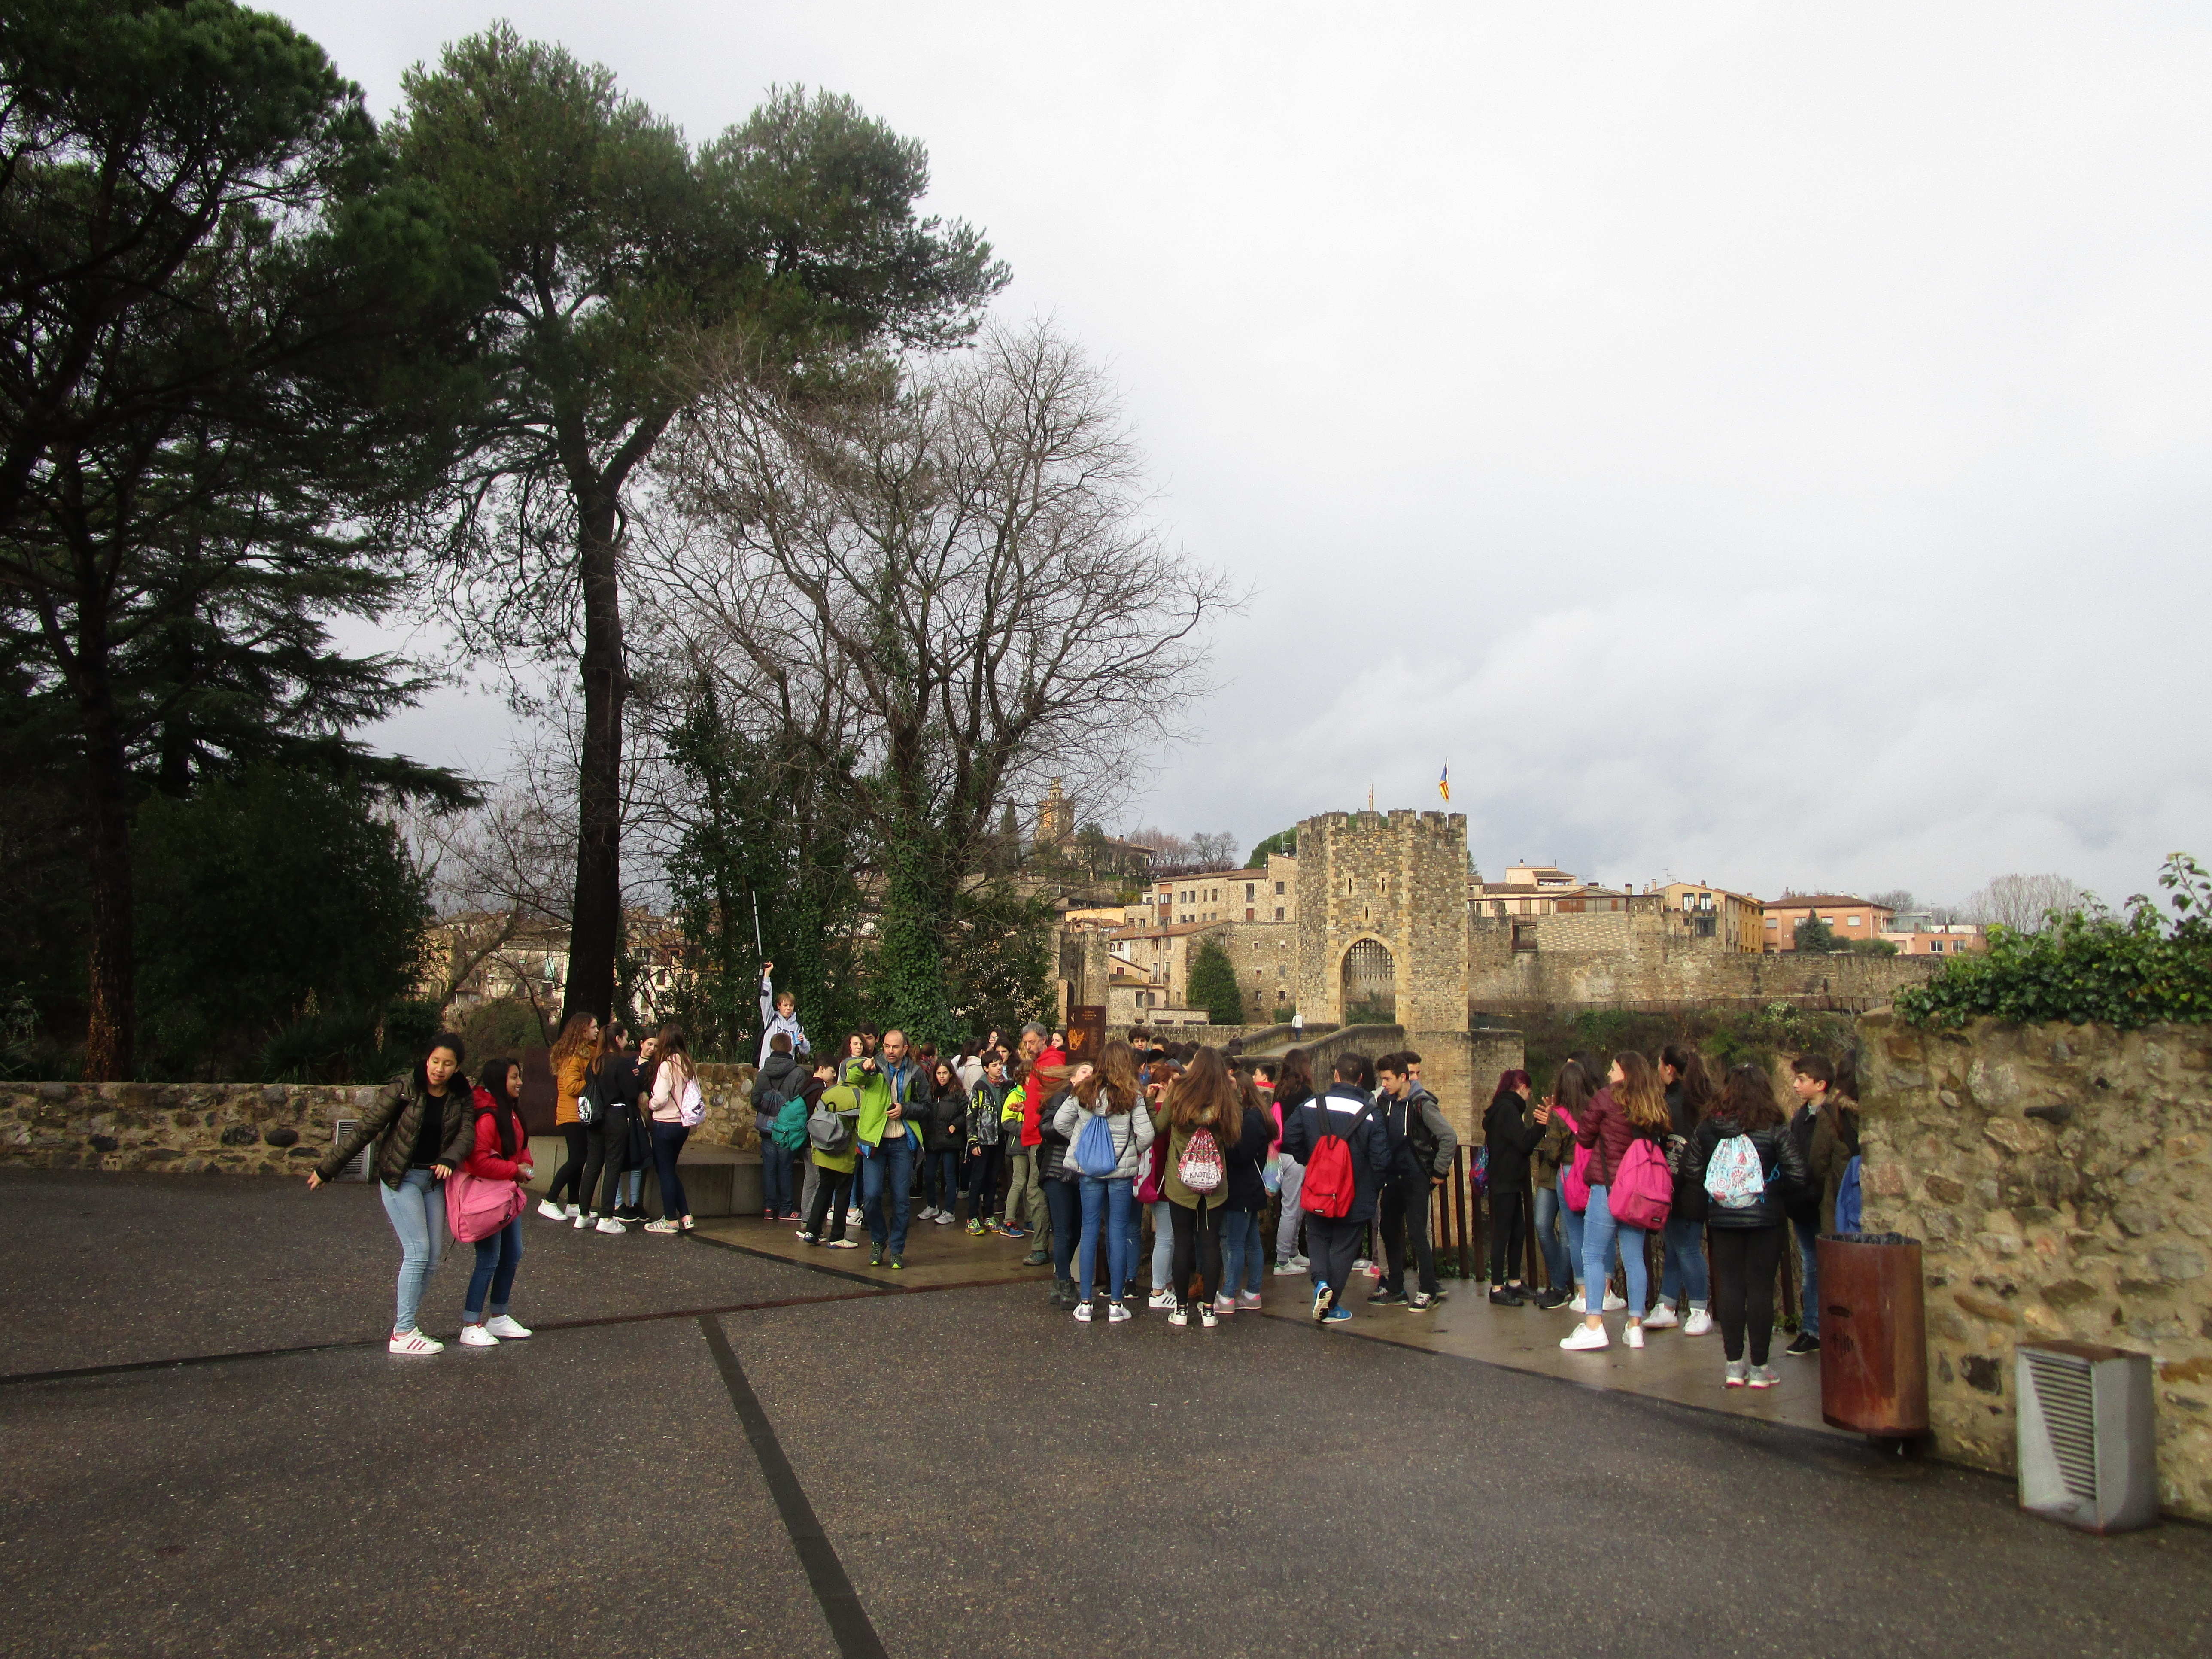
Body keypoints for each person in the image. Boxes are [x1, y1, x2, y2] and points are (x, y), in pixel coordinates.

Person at [309, 1033, 477, 1355]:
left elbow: (466, 1133)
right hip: (401, 1178)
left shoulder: (460, 1096)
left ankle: (409, 1324)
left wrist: (449, 1158)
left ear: (457, 1068)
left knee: (431, 1259)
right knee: (418, 1251)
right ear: (427, 1060)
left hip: (433, 1180)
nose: (440, 1069)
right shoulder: (403, 1089)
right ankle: (403, 1333)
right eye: (436, 1061)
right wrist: (327, 1169)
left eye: (448, 1064)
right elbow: (365, 1129)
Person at [1684, 1063, 1808, 1388]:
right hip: (1765, 1218)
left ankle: (1733, 1365)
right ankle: (1760, 1368)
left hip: (1723, 1217)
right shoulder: (1775, 1127)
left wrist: (1721, 1187)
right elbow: (1798, 1174)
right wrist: (1770, 1186)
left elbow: (1692, 1170)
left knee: (1731, 1286)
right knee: (1760, 1290)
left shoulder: (1710, 1128)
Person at [1562, 1051, 1671, 1352]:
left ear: (1624, 1072)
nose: (1609, 1073)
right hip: (1639, 1193)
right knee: (1635, 1256)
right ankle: (1635, 1326)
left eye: (1613, 1068)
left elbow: (1584, 1138)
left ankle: (1594, 1324)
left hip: (1608, 1187)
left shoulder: (1606, 1098)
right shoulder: (1652, 1100)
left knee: (1593, 1253)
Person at [1277, 1052, 1391, 1326]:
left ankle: (1321, 1283)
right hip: (1355, 1194)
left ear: (1336, 1076)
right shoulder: (1370, 1113)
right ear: (1361, 1079)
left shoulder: (1311, 1105)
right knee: (1344, 1246)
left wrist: (1313, 1161)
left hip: (1319, 1188)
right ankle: (1333, 1305)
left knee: (1317, 1236)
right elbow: (1381, 1159)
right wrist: (1370, 1187)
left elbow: (1289, 1139)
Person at [1051, 1043, 1154, 1321]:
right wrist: (1130, 1147)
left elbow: (1060, 1123)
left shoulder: (1083, 1091)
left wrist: (1082, 1140)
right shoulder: (1133, 1095)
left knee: (1089, 1230)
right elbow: (1146, 1136)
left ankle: (1085, 1303)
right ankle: (1116, 1305)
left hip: (1089, 1170)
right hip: (1121, 1173)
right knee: (1118, 1231)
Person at [1159, 1047, 1243, 1327]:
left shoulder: (1179, 1092)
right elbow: (1236, 1132)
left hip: (1181, 1183)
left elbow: (1159, 1126)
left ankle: (1181, 1310)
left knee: (1182, 1243)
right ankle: (1209, 1310)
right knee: (1210, 1244)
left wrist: (1151, 1101)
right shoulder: (1225, 1099)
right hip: (1214, 1185)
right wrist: (1235, 1091)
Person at [457, 1057, 535, 1345]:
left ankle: (499, 1316)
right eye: (514, 1077)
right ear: (499, 1080)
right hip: (488, 1198)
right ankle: (471, 1322)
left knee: (512, 1253)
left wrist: (524, 1164)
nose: (520, 1082)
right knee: (489, 1259)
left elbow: (520, 1146)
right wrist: (514, 1170)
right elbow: (477, 1160)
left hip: (505, 1195)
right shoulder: (489, 1115)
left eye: (519, 1076)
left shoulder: (509, 1112)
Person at [1787, 1052, 1860, 1357]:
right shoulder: (1801, 1117)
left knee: (1818, 1268)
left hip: (1823, 1204)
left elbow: (1828, 1165)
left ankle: (1817, 1329)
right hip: (1805, 1205)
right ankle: (1815, 1328)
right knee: (1812, 1266)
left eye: (1801, 1079)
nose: (1795, 1085)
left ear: (1821, 1084)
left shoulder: (1833, 1118)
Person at [1372, 1051, 1458, 1310]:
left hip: (1416, 1177)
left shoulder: (1422, 1103)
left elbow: (1448, 1137)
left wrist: (1439, 1173)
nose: (1384, 1085)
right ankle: (1396, 1287)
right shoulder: (1385, 1103)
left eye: (1387, 1079)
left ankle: (1428, 1289)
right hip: (1392, 1176)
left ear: (1402, 1077)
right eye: (1382, 1079)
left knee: (1418, 1233)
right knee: (1389, 1228)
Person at [1647, 1044, 1717, 1336]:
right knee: (1676, 1245)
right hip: (1699, 1185)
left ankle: (1700, 1308)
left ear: (1669, 1069)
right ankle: (1667, 1305)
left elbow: (1674, 1150)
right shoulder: (1703, 1103)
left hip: (1681, 1186)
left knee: (1686, 1246)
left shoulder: (1673, 1106)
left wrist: (1667, 1184)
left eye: (1660, 1065)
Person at [851, 1028, 920, 1269]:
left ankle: (898, 1249)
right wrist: (863, 1069)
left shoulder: (916, 1072)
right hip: (875, 1140)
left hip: (902, 1140)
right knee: (870, 1197)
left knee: (902, 1199)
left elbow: (927, 1107)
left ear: (905, 1049)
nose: (890, 1051)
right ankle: (879, 1240)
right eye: (887, 1047)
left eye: (896, 1047)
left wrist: (905, 1109)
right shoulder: (874, 1067)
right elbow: (853, 1078)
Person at [1213, 1070, 1276, 1317]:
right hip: (1251, 1189)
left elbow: (1241, 1155)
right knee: (1252, 1242)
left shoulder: (1249, 1120)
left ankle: (1229, 1294)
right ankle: (1252, 1293)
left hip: (1243, 1189)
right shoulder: (1257, 1116)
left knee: (1236, 1243)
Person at [1003, 1023, 1066, 1262]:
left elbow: (1054, 1100)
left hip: (1041, 1138)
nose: (1028, 1047)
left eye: (1032, 1042)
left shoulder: (1051, 1063)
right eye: (1026, 1043)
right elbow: (1042, 1098)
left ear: (1043, 1039)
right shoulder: (1043, 1063)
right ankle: (1042, 1245)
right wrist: (1027, 1106)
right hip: (1034, 1135)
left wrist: (1035, 1113)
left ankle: (1040, 1247)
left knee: (1036, 1192)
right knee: (1036, 1191)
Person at [1481, 1069, 1540, 1306]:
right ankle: (1497, 1287)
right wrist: (1540, 1126)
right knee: (1502, 1234)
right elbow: (1524, 1143)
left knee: (1517, 1231)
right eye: (1529, 1092)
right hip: (1505, 1181)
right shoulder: (1508, 1110)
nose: (1529, 1097)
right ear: (1522, 1088)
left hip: (1508, 1181)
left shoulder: (1502, 1108)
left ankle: (1514, 1281)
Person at [575, 1025, 638, 1233]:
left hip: (595, 1117)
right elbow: (630, 1093)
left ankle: (583, 1214)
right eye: (625, 1038)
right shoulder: (620, 1063)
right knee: (612, 1167)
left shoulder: (594, 1063)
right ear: (618, 1038)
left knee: (592, 1164)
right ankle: (606, 1217)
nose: (627, 1043)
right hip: (616, 1116)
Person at [539, 1011, 600, 1220]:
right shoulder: (573, 1056)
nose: (597, 1030)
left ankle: (574, 1203)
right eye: (593, 1027)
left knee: (579, 1158)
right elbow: (571, 1086)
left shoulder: (586, 1053)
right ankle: (549, 1200)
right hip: (572, 1115)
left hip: (579, 1114)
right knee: (578, 1158)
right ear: (582, 1029)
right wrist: (594, 1084)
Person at [1528, 1069, 1578, 1308]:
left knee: (1569, 1232)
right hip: (1554, 1176)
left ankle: (1560, 1287)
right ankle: (1561, 1284)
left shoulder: (1583, 1111)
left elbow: (1553, 1153)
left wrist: (1554, 1126)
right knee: (1543, 1224)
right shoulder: (1560, 1113)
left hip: (1568, 1174)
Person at [801, 1056, 863, 1249]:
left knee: (824, 1189)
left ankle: (812, 1231)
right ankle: (837, 1235)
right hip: (845, 1151)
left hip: (825, 1149)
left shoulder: (829, 1091)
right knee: (843, 1193)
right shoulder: (861, 1095)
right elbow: (862, 1125)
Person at [642, 1025, 699, 1235]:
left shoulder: (666, 1066)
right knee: (670, 1170)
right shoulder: (687, 1064)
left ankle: (670, 1219)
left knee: (665, 1171)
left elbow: (660, 1098)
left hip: (664, 1123)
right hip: (682, 1125)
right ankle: (685, 1214)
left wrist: (649, 1105)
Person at [1140, 1057, 1183, 1309]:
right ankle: (1157, 1290)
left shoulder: (1151, 1108)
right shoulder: (1165, 1111)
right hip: (1163, 1179)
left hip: (1154, 1178)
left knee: (1169, 1235)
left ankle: (1164, 1283)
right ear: (1165, 1083)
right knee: (1167, 1236)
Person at [1270, 1048, 1316, 1275]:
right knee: (1292, 1208)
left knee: (1293, 1206)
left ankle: (1293, 1252)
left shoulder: (1281, 1090)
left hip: (1278, 1153)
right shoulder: (1305, 1092)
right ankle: (1282, 1260)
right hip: (1296, 1155)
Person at [755, 1032, 807, 1221]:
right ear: (790, 1048)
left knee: (769, 1167)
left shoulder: (763, 1073)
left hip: (767, 1128)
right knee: (785, 1167)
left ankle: (769, 1208)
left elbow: (755, 1100)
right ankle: (786, 1209)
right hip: (787, 1130)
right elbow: (799, 1103)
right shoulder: (798, 1073)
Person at [963, 1052, 1012, 1234]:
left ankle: (989, 1215)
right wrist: (973, 1141)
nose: (998, 1068)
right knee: (978, 1179)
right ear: (986, 1068)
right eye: (994, 1065)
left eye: (1000, 1064)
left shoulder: (1007, 1085)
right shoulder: (981, 1087)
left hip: (1000, 1139)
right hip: (983, 1140)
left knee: (993, 1179)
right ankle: (972, 1218)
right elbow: (971, 1116)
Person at [919, 1057, 968, 1227]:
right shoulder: (931, 1091)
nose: (942, 1077)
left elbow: (966, 1111)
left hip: (950, 1140)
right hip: (933, 1138)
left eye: (945, 1073)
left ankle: (949, 1211)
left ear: (950, 1074)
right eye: (939, 1073)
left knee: (949, 1176)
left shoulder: (957, 1092)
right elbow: (924, 1109)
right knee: (930, 1174)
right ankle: (932, 1206)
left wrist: (955, 1125)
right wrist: (925, 1128)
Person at [757, 960, 809, 1068]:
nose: (788, 1009)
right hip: (768, 1067)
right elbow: (765, 999)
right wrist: (767, 975)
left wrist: (803, 1042)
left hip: (787, 1070)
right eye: (785, 1006)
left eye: (791, 1006)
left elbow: (805, 1051)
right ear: (779, 1006)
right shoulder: (771, 1018)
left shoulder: (797, 1026)